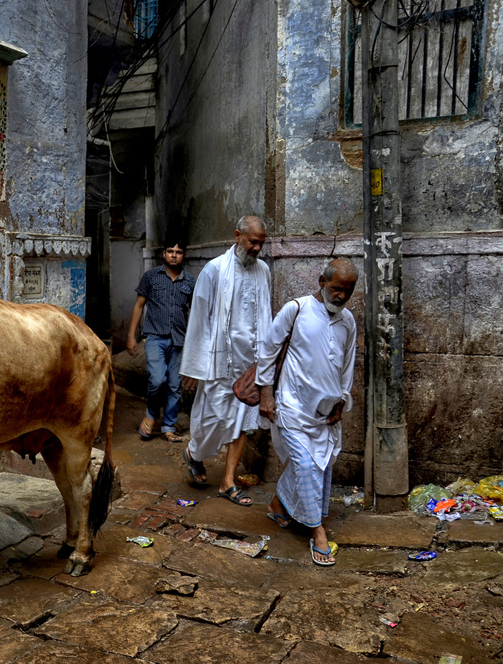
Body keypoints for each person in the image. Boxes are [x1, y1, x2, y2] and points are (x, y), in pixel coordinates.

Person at [257, 258, 358, 566]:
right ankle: (317, 531)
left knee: (321, 463)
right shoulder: (296, 309)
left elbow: (347, 364)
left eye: (348, 291)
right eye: (336, 288)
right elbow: (268, 349)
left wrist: (342, 399)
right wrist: (266, 394)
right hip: (291, 405)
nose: (340, 296)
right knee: (304, 464)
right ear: (321, 281)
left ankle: (278, 504)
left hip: (324, 412)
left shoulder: (348, 321)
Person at [179, 216, 271, 505]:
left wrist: (266, 365)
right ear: (237, 236)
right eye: (252, 241)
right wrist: (193, 366)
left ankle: (227, 482)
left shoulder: (263, 270)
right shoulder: (214, 270)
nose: (257, 248)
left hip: (249, 366)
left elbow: (266, 315)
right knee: (212, 421)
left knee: (242, 423)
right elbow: (199, 320)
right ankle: (194, 453)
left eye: (261, 243)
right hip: (218, 363)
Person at [127, 237, 195, 442]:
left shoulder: (190, 282)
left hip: (180, 341)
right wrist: (131, 336)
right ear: (164, 254)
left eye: (178, 252)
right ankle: (151, 414)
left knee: (175, 385)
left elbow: (195, 312)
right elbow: (139, 305)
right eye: (170, 251)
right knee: (158, 380)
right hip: (155, 337)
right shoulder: (151, 277)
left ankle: (168, 426)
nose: (174, 255)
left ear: (183, 256)